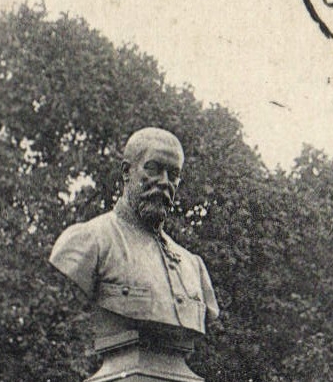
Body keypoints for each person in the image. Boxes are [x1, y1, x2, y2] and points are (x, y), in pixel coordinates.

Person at [49, 127, 219, 335]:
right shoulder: (89, 241)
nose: (164, 182)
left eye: (173, 175)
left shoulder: (193, 266)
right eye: (153, 169)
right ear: (126, 172)